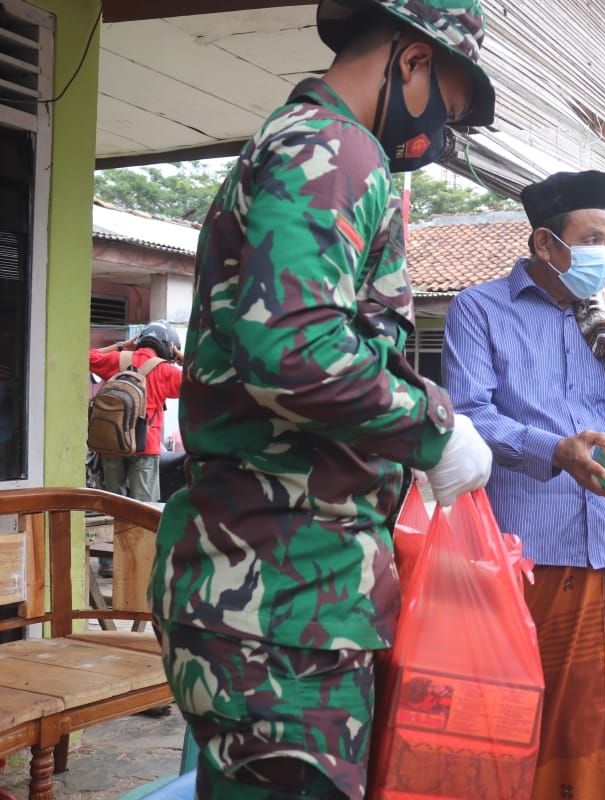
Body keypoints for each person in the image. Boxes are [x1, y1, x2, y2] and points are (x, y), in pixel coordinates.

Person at [149, 2, 496, 798]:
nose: (441, 129)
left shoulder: (310, 144)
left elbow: (316, 339)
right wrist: (433, 429)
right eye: (447, 97)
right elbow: (293, 349)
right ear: (410, 60)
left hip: (279, 595)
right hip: (280, 600)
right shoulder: (335, 148)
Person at [443, 170, 605, 799]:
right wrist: (553, 450)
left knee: (586, 721)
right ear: (546, 244)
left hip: (602, 541)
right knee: (512, 717)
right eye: (593, 237)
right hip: (522, 552)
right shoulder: (479, 310)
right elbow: (469, 416)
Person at [88, 321, 184, 577]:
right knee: (144, 508)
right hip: (145, 447)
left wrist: (121, 346)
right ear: (166, 346)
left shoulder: (119, 359)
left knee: (114, 504)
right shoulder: (165, 371)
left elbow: (87, 357)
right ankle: (140, 566)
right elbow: (202, 381)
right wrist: (182, 358)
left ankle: (110, 562)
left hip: (112, 444)